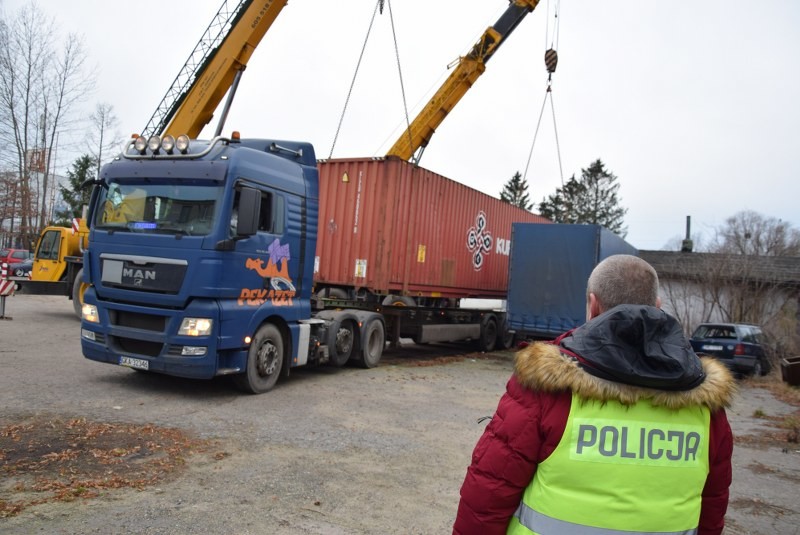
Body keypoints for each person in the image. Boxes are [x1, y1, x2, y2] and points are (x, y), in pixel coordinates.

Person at [454, 254, 735, 535]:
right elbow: (712, 508)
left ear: (593, 305)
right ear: (658, 307)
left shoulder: (547, 388)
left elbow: (489, 495)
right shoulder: (706, 404)